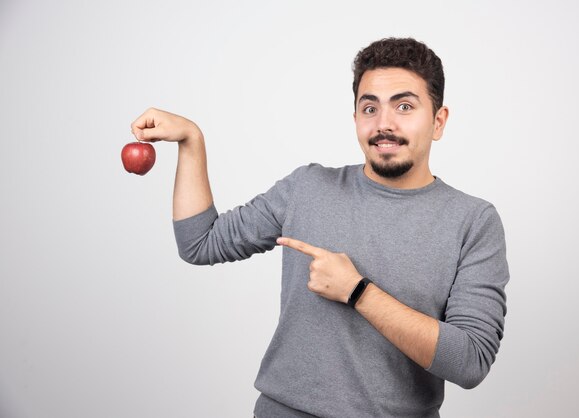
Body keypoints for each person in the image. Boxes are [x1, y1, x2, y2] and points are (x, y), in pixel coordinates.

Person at [131, 37, 509, 418]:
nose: (384, 124)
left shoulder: (473, 221)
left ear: (438, 121)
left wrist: (357, 291)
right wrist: (191, 141)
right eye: (369, 108)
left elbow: (470, 361)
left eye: (405, 106)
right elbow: (200, 243)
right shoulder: (307, 188)